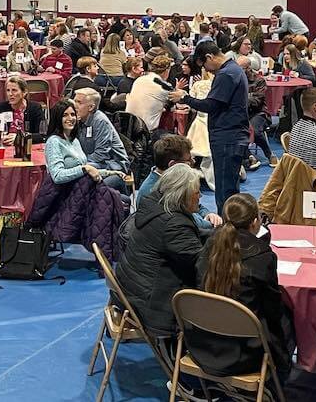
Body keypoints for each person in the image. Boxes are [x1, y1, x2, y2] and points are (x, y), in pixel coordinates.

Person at [196, 193, 293, 380]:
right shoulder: (263, 257)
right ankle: (278, 378)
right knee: (287, 317)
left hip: (202, 343)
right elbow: (273, 311)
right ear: (255, 222)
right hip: (243, 353)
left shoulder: (209, 243)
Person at [115, 165, 203, 341]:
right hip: (152, 305)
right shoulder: (174, 224)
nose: (200, 197)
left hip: (128, 291)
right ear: (182, 195)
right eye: (197, 192)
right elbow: (200, 263)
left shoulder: (153, 205)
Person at [169, 42, 249, 212]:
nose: (208, 71)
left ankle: (226, 229)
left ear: (209, 57)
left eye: (205, 66)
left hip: (227, 137)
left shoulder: (226, 74)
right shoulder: (233, 69)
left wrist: (185, 98)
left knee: (224, 190)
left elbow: (210, 106)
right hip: (232, 135)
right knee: (228, 187)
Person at [136, 134, 220, 230]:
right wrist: (213, 224)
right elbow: (189, 221)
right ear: (173, 164)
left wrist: (208, 214)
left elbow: (197, 206)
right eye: (188, 160)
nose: (192, 163)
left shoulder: (173, 180)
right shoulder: (153, 192)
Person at [73, 87, 130, 183]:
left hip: (113, 163)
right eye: (74, 101)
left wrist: (80, 164)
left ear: (91, 107)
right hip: (92, 161)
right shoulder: (78, 120)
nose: (75, 106)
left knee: (79, 171)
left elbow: (101, 154)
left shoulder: (100, 121)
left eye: (79, 102)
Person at [239, 56, 277, 168]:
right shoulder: (235, 79)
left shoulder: (259, 80)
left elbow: (257, 100)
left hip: (259, 113)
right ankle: (249, 156)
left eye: (240, 68)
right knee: (235, 130)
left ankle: (269, 154)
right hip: (241, 113)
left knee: (255, 131)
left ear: (248, 68)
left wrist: (240, 99)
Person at [125, 53, 172, 132]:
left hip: (129, 127)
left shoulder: (139, 80)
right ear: (167, 71)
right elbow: (172, 106)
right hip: (147, 132)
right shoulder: (164, 87)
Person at [0, 76, 46, 144]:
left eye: (14, 90)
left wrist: (21, 138)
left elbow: (42, 136)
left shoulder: (35, 108)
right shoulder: (1, 108)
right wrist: (1, 137)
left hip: (27, 147)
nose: (10, 94)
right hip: (5, 146)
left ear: (24, 92)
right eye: (8, 90)